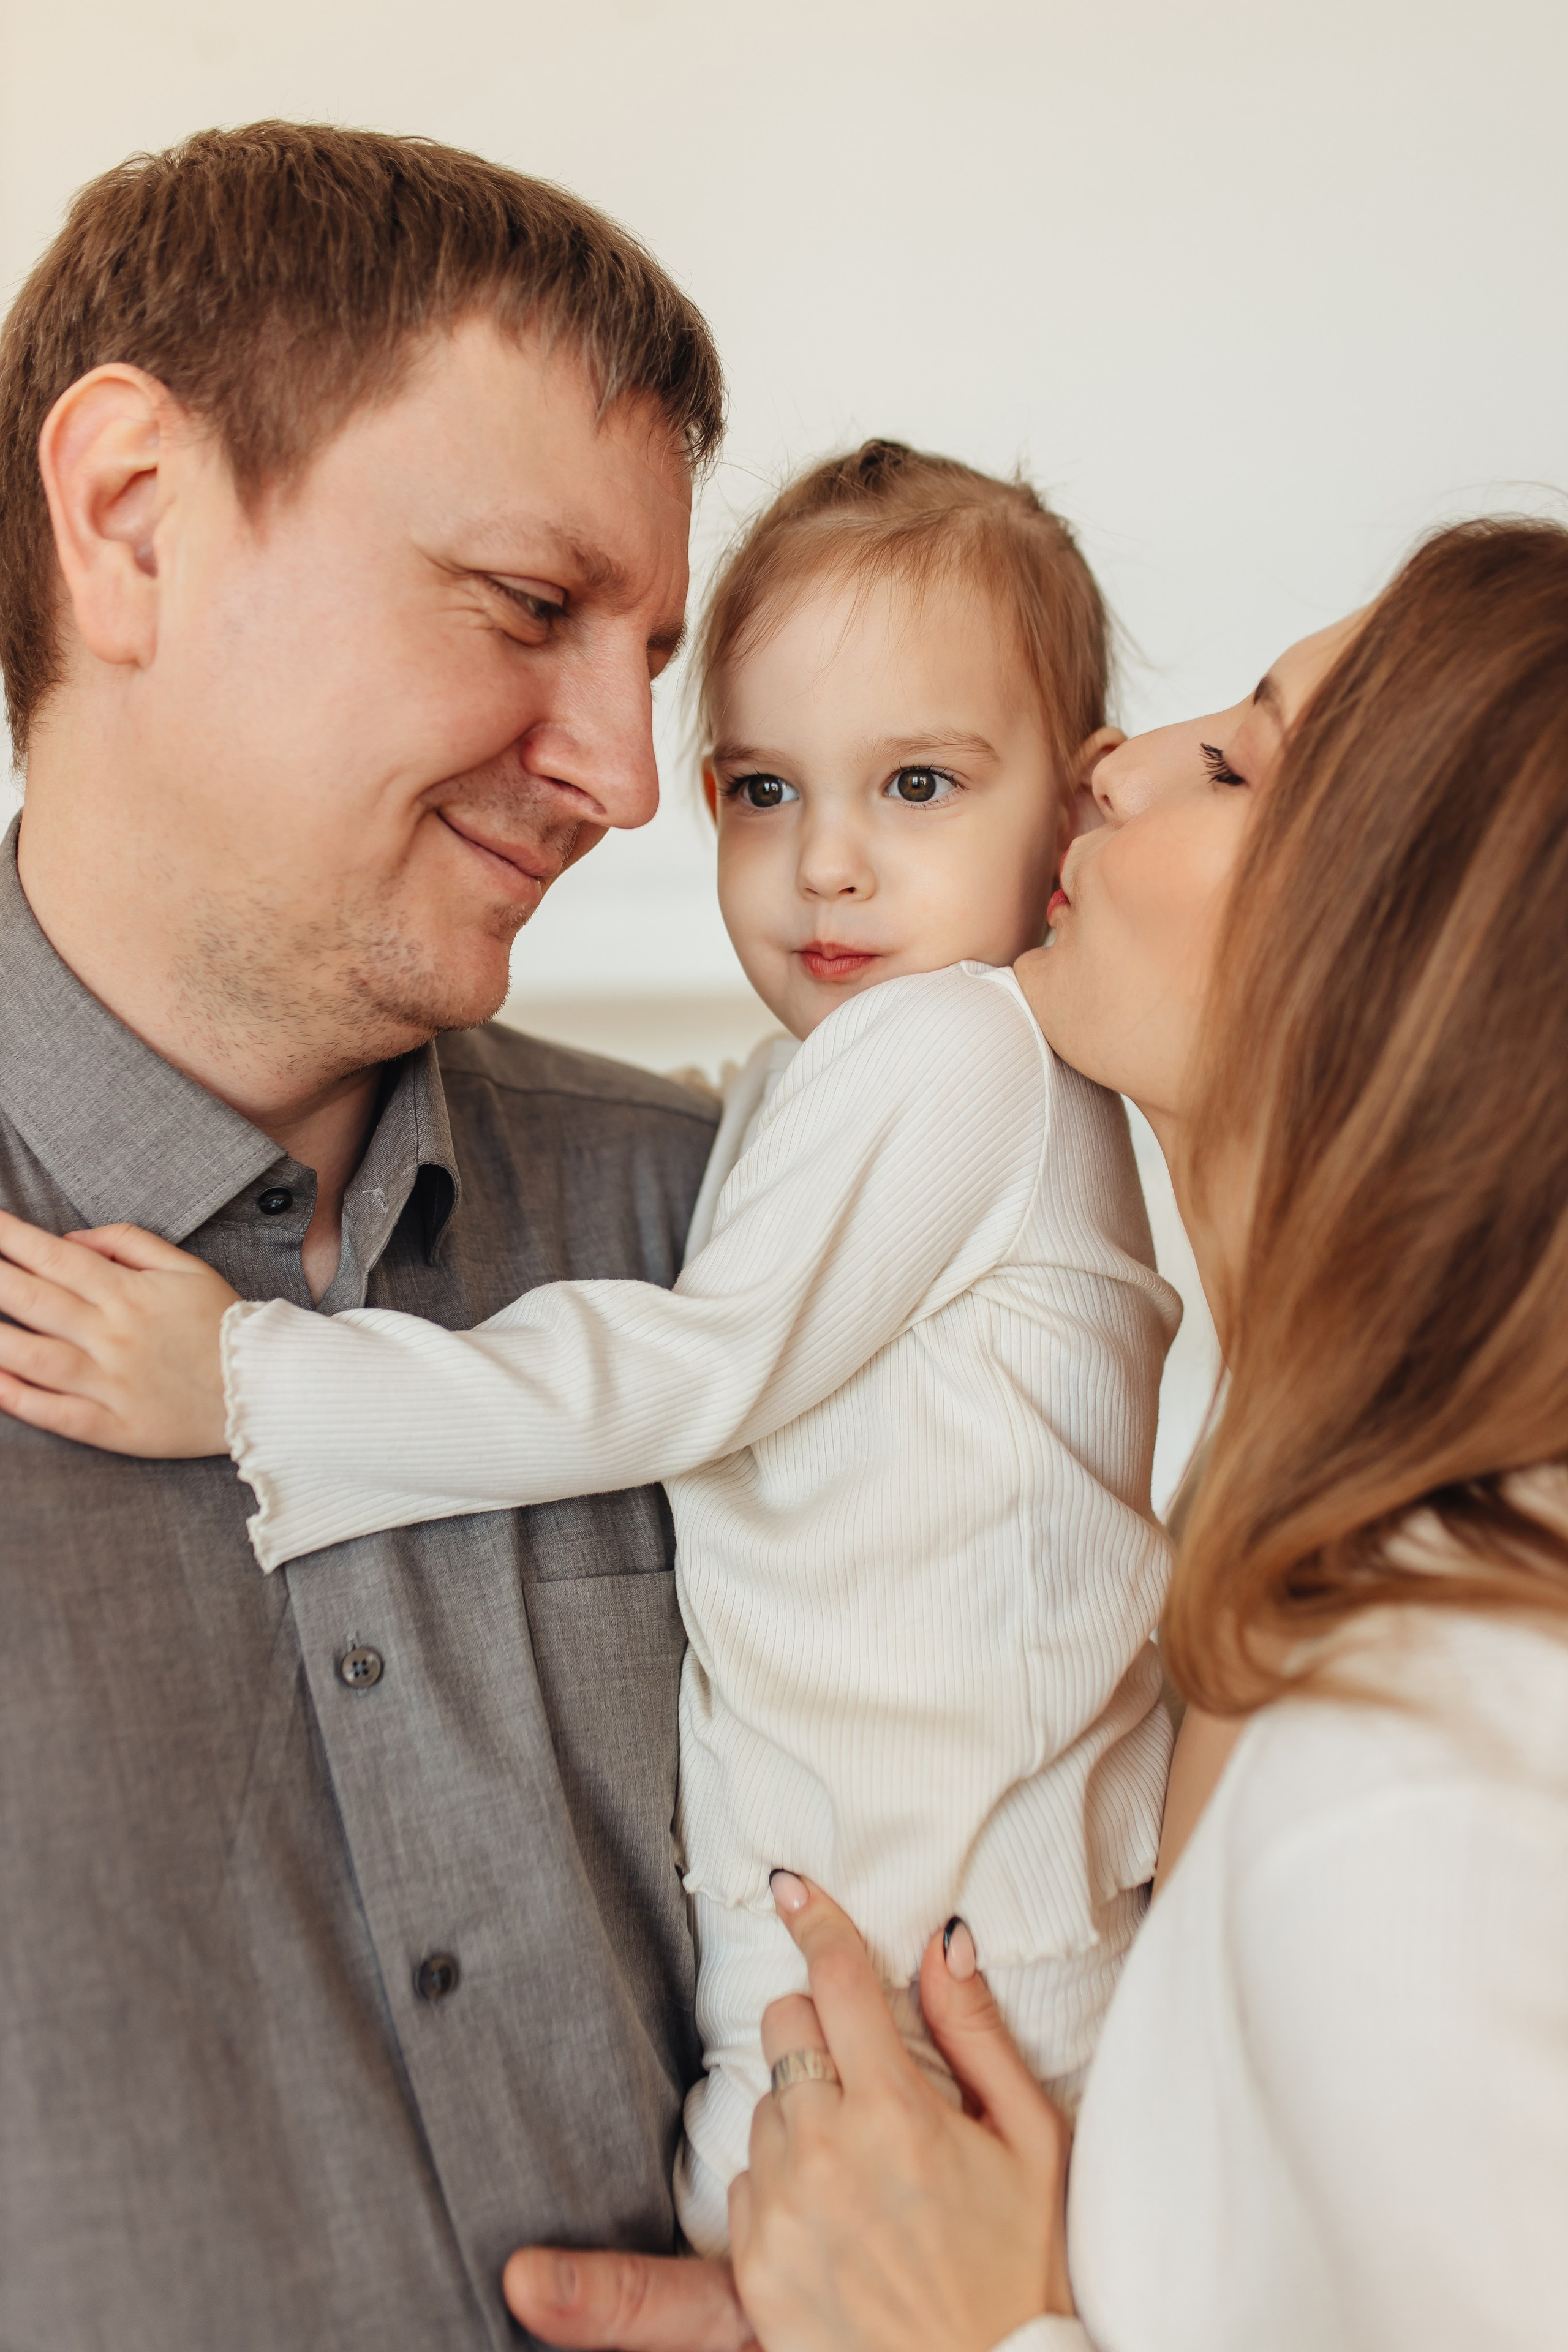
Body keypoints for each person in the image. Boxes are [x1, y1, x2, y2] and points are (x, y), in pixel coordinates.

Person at [0, 442, 1182, 2253]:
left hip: (963, 1988)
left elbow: (690, 1367)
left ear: (1077, 816)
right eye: (766, 790)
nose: (830, 865)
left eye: (921, 784)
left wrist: (251, 1380)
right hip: (876, 1960)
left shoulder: (957, 1049)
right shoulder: (829, 1082)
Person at [501, 518, 1568, 2351]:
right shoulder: (1284, 1564)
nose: (1115, 764)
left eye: (1235, 761)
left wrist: (971, 2332)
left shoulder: (1432, 1778)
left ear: (1419, 974)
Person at [0, 122, 728, 2351]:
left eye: (654, 654)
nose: (628, 775)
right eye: (530, 608)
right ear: (134, 522)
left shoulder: (722, 1232)